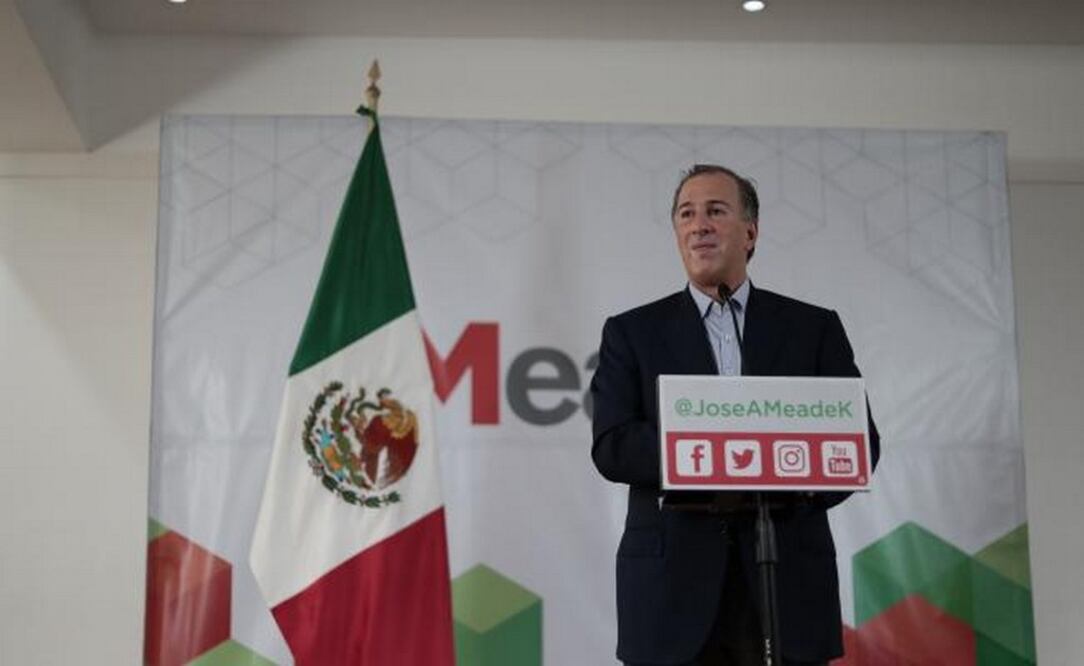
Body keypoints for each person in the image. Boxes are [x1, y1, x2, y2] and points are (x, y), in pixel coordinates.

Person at [589, 164, 881, 666]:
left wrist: (791, 483)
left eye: (716, 211)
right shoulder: (631, 332)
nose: (699, 224)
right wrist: (715, 454)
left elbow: (857, 442)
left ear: (750, 232)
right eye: (687, 214)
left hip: (784, 575)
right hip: (671, 593)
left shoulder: (813, 328)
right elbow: (613, 444)